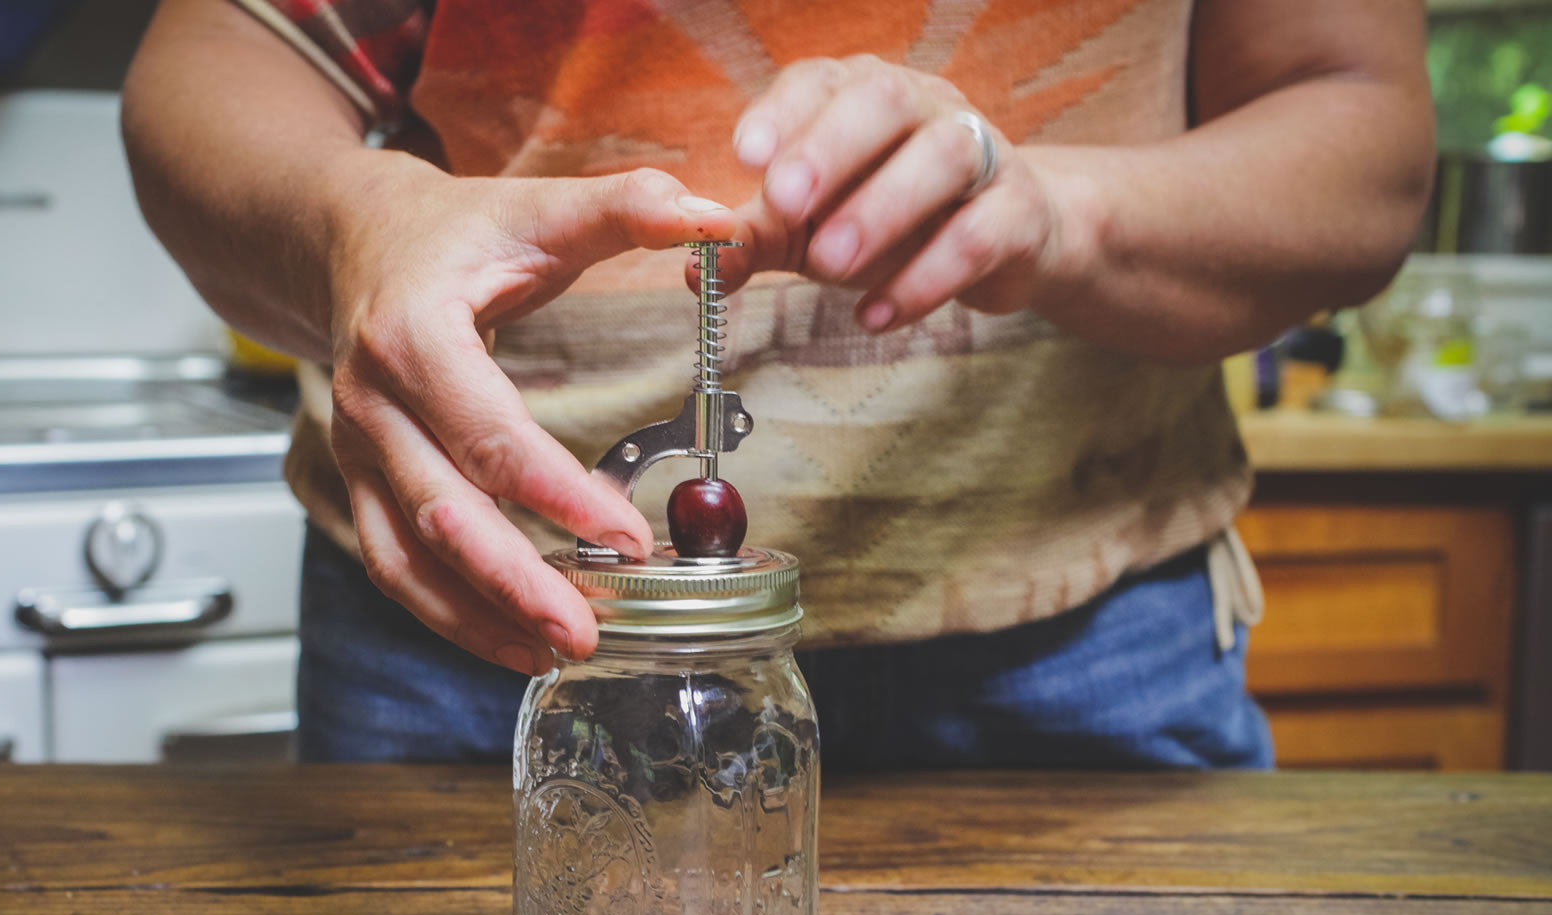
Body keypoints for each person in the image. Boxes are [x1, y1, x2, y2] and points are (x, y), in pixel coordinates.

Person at [122, 0, 1433, 769]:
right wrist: (357, 224)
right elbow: (213, 65)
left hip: (1082, 652)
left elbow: (1358, 141)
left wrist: (1054, 217)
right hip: (485, 639)